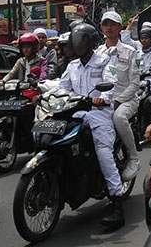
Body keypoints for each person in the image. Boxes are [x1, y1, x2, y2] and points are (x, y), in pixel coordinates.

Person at [59, 23, 125, 229]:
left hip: (99, 114)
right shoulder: (72, 66)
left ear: (91, 42)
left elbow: (110, 84)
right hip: (76, 112)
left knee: (104, 153)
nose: (78, 45)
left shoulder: (106, 61)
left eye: (82, 40)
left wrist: (102, 98)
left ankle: (117, 203)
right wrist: (44, 92)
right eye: (76, 40)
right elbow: (61, 87)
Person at [96, 11, 141, 181]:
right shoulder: (97, 53)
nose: (109, 27)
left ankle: (134, 158)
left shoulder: (131, 52)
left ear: (120, 27)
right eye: (106, 24)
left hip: (126, 100)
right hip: (102, 99)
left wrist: (117, 101)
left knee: (118, 117)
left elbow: (134, 84)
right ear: (101, 27)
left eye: (113, 24)